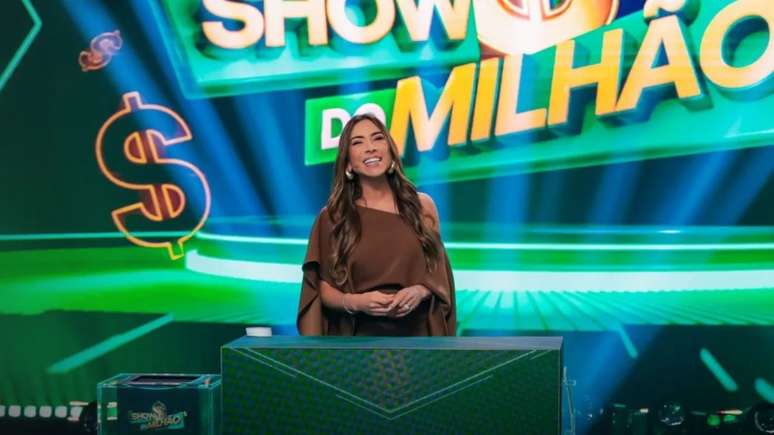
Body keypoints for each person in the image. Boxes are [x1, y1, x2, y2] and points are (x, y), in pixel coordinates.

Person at [297, 113, 456, 336]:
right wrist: (356, 302)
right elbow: (319, 288)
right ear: (348, 163)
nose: (370, 148)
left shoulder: (423, 206)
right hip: (359, 342)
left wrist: (420, 291)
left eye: (378, 138)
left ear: (390, 151)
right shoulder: (333, 217)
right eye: (358, 142)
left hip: (419, 339)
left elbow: (439, 273)